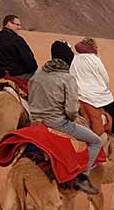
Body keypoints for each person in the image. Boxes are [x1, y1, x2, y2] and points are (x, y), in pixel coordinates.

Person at [27, 42, 102, 195]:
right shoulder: (67, 78)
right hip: (57, 123)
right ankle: (82, 177)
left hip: (34, 122)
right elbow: (72, 109)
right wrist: (71, 118)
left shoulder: (37, 75)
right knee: (96, 141)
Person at [70, 38, 114, 140]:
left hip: (79, 95)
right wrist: (104, 90)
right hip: (98, 96)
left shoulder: (74, 59)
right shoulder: (95, 60)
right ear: (93, 47)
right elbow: (105, 78)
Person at [0, 14, 38, 83]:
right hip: (19, 75)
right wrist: (33, 69)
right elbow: (29, 60)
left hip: (1, 75)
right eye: (17, 24)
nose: (19, 27)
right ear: (9, 23)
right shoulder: (17, 39)